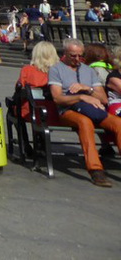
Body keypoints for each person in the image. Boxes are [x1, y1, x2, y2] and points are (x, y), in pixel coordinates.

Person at [48, 38, 121, 187]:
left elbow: (103, 99)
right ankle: (95, 170)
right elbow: (57, 98)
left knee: (118, 123)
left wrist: (87, 89)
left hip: (93, 110)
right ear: (65, 53)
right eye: (72, 56)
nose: (77, 59)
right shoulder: (56, 69)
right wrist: (80, 97)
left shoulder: (88, 70)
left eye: (80, 56)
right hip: (68, 111)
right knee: (84, 123)